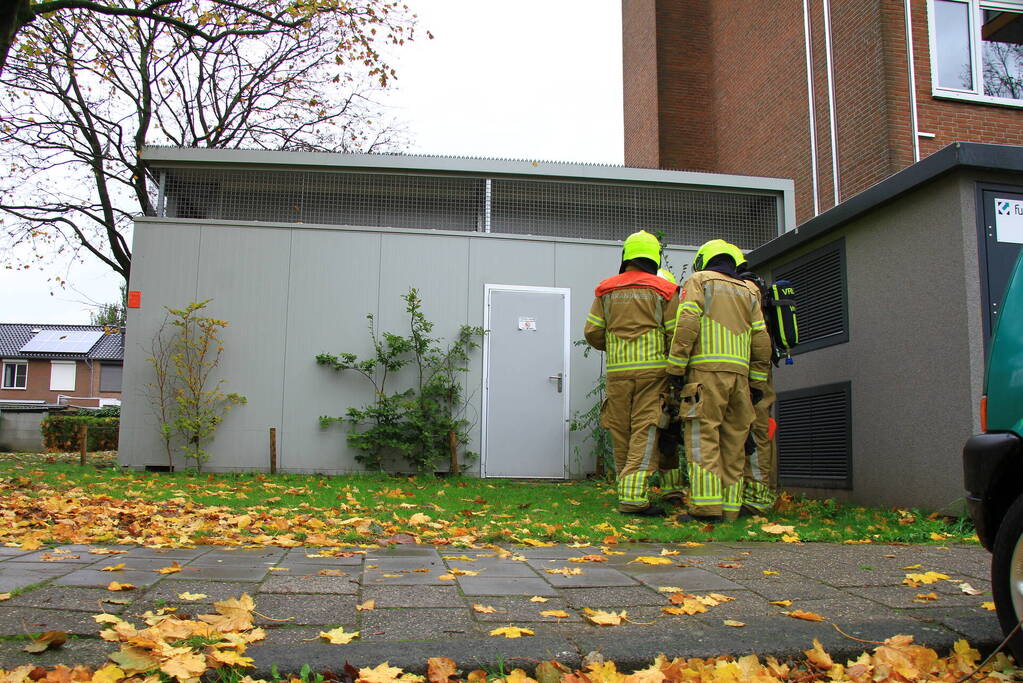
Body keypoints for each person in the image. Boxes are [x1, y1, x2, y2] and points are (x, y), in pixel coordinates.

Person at [666, 239, 771, 522]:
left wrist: (675, 368)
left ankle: (706, 509)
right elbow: (761, 339)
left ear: (703, 260)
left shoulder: (699, 280)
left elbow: (687, 323)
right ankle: (730, 509)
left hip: (705, 373)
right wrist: (758, 382)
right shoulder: (749, 290)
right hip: (740, 378)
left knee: (703, 437)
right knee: (735, 442)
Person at [584, 230, 679, 516]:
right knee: (646, 427)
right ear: (654, 257)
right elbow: (675, 333)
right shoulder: (665, 289)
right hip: (653, 371)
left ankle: (626, 488)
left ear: (625, 256)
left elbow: (592, 332)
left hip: (617, 372)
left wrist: (614, 346)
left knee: (621, 428)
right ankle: (634, 496)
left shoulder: (606, 289)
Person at [735, 262, 778, 515]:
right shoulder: (755, 287)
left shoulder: (746, 289)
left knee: (756, 432)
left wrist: (756, 384)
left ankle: (757, 499)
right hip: (755, 370)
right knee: (753, 432)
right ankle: (754, 494)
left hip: (754, 372)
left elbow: (759, 341)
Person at [654, 265, 686, 506]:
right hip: (668, 377)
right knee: (669, 434)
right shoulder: (676, 301)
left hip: (661, 378)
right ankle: (672, 489)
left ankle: (670, 489)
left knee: (666, 434)